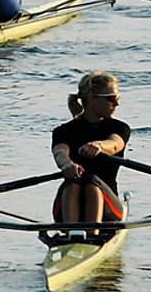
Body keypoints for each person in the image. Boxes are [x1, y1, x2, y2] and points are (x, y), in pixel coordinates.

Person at [50, 71, 131, 232]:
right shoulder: (63, 131)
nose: (116, 104)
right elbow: (60, 152)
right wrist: (67, 164)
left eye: (117, 98)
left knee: (91, 181)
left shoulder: (119, 128)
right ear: (93, 100)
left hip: (108, 211)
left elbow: (114, 144)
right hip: (66, 206)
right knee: (73, 182)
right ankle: (72, 234)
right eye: (111, 98)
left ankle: (92, 233)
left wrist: (99, 146)